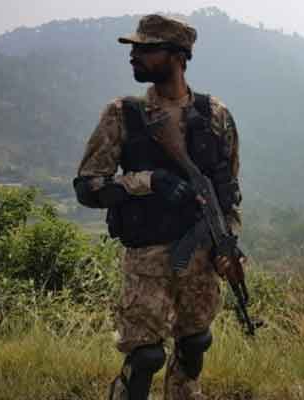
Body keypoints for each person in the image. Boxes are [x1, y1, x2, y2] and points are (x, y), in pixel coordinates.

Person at [73, 14, 243, 400]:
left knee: (195, 344)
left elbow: (228, 192)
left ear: (179, 56)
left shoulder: (215, 116)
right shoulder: (123, 115)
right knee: (146, 356)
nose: (134, 56)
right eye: (134, 48)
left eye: (147, 49)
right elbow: (88, 186)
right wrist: (146, 182)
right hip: (146, 260)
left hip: (200, 260)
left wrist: (228, 246)